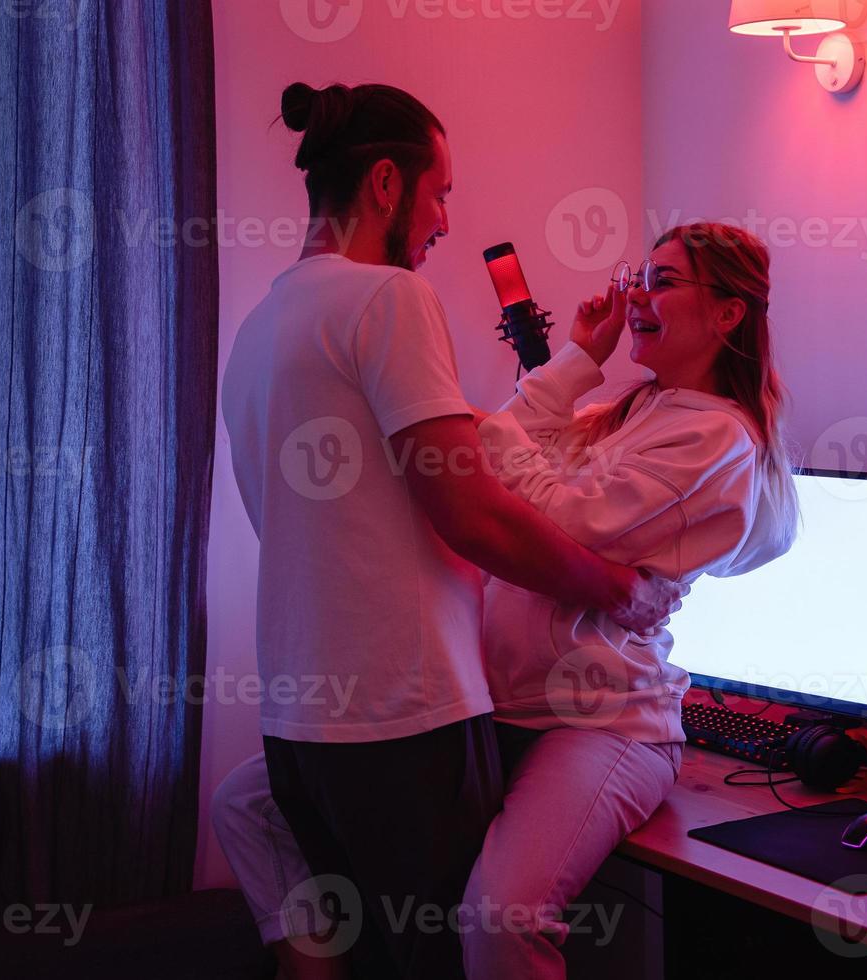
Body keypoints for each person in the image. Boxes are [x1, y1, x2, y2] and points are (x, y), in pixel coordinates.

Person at [215, 221, 798, 979]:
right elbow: (507, 442)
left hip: (600, 723)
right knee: (248, 804)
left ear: (727, 313)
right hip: (496, 710)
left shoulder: (718, 439)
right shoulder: (631, 412)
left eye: (663, 281)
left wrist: (485, 447)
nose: (637, 296)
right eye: (640, 276)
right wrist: (581, 358)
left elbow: (560, 517)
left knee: (502, 917)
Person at [218, 81, 682, 979]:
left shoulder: (262, 325)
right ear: (387, 185)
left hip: (299, 727)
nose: (443, 220)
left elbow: (354, 517)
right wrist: (611, 587)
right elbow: (467, 510)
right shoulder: (386, 299)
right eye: (441, 194)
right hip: (404, 718)